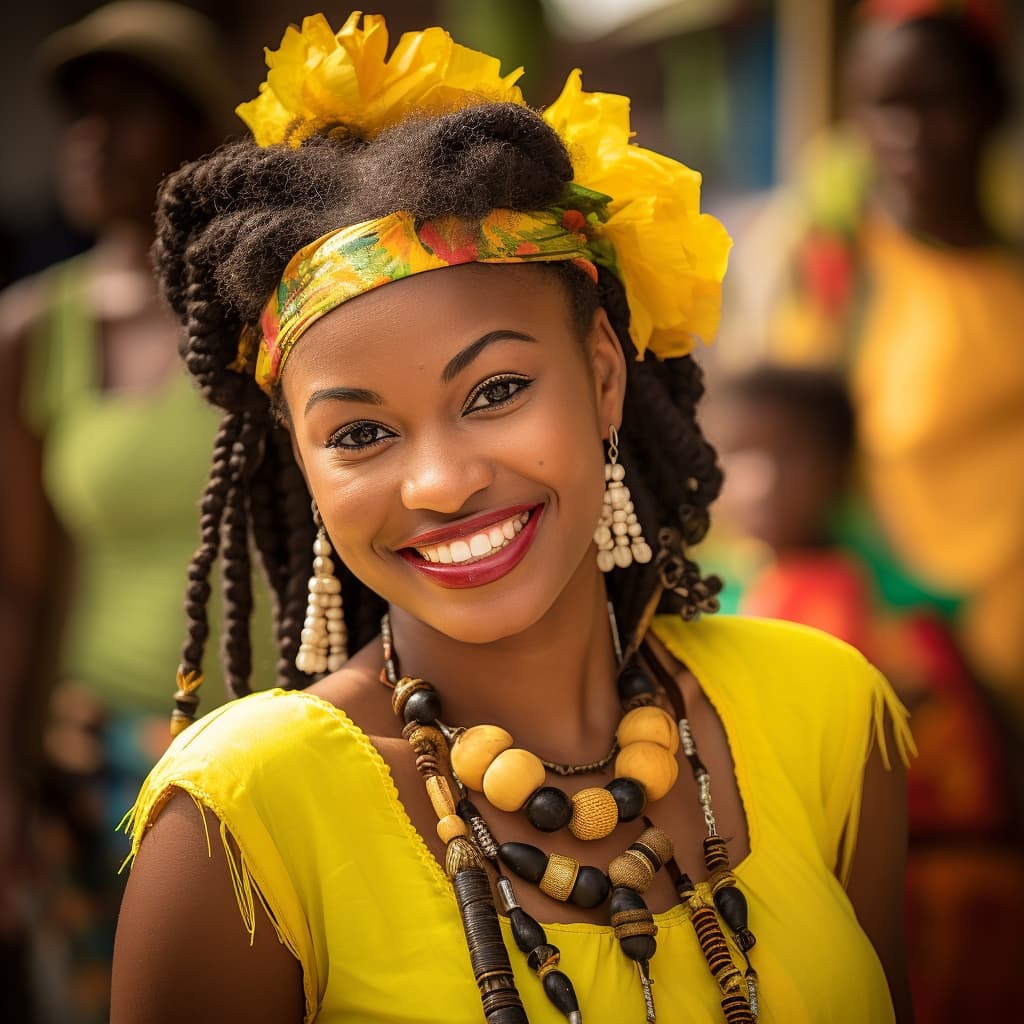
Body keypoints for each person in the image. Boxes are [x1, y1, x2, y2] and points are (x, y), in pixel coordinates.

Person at [110, 12, 914, 1024]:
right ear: (303, 467)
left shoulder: (825, 714)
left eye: (494, 392)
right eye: (360, 435)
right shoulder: (245, 819)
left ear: (604, 378)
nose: (440, 482)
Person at [0, 4, 270, 1022]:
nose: (91, 139)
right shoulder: (34, 331)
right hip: (93, 759)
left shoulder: (264, 306)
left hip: (266, 745)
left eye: (129, 112)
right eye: (80, 114)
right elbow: (18, 583)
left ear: (203, 136)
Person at [720, 0, 1024, 725]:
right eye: (885, 108)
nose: (909, 137)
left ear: (994, 109)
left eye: (939, 105)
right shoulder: (831, 267)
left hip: (1002, 653)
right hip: (869, 636)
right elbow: (770, 434)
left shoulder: (1008, 285)